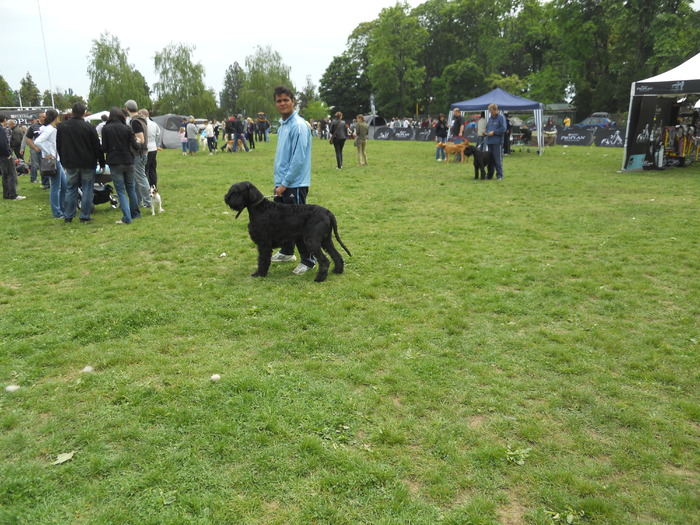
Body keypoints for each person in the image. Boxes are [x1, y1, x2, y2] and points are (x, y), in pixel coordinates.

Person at [270, 85, 315, 276]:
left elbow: (298, 160)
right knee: (282, 222)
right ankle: (287, 251)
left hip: (294, 185)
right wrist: (278, 182)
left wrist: (285, 184)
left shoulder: (298, 126)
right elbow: (283, 158)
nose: (282, 104)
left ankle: (309, 259)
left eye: (285, 100)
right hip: (283, 183)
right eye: (279, 101)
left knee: (298, 224)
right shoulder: (283, 125)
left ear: (293, 101)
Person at [56, 102, 105, 223]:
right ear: (84, 113)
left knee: (71, 188)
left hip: (70, 162)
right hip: (88, 162)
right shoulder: (89, 127)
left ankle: (68, 215)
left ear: (72, 112)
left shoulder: (62, 126)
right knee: (88, 188)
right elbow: (96, 146)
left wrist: (63, 160)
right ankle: (85, 215)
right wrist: (102, 161)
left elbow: (59, 145)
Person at [101, 107, 141, 224]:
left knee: (120, 190)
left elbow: (104, 148)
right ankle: (135, 213)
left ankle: (127, 217)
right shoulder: (127, 128)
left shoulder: (106, 129)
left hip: (115, 162)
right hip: (128, 161)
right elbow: (136, 146)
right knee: (130, 188)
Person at [35, 109, 67, 218]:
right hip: (52, 161)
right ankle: (57, 212)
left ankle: (62, 208)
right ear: (55, 117)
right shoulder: (50, 129)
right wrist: (48, 152)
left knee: (64, 185)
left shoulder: (52, 128)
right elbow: (38, 141)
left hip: (56, 160)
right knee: (55, 187)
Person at [124, 100, 151, 208]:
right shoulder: (141, 119)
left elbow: (141, 139)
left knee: (141, 178)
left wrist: (130, 139)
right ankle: (138, 201)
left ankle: (148, 201)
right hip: (142, 153)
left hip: (138, 153)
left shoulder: (135, 122)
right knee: (136, 178)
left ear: (126, 109)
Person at [0, 114, 25, 201]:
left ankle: (6, 194)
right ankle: (13, 194)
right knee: (11, 174)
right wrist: (8, 154)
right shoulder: (1, 130)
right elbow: (3, 143)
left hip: (1, 155)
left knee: (5, 174)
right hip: (5, 155)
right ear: (4, 120)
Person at [23, 113, 47, 186]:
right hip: (38, 149)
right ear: (38, 118)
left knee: (47, 166)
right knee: (37, 165)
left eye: (45, 117)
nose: (45, 118)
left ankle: (47, 183)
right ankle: (37, 179)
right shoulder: (33, 127)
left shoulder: (48, 125)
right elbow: (27, 139)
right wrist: (35, 147)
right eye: (43, 117)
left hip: (47, 149)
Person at [485, 103, 507, 180]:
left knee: (497, 159)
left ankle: (499, 175)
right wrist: (486, 132)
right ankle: (489, 175)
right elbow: (487, 127)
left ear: (495, 110)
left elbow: (503, 129)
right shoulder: (490, 118)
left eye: (491, 111)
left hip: (497, 142)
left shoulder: (501, 118)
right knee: (490, 160)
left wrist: (494, 132)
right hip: (490, 141)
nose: (490, 112)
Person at [140, 109, 162, 186]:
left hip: (146, 148)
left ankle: (147, 186)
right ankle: (154, 185)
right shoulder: (154, 124)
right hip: (153, 148)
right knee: (152, 168)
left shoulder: (142, 124)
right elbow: (158, 133)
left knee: (145, 169)